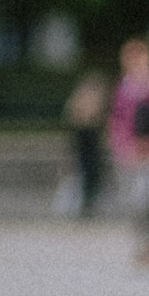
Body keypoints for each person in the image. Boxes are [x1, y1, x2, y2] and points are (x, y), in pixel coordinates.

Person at [108, 38, 149, 264]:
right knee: (135, 201)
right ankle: (143, 243)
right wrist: (121, 144)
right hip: (131, 152)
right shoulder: (124, 87)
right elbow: (118, 119)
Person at [59, 67, 108, 217]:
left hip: (90, 150)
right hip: (84, 150)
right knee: (82, 178)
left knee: (89, 178)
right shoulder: (80, 105)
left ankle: (87, 205)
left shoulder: (89, 105)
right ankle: (81, 205)